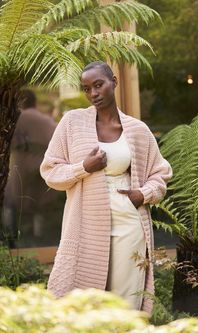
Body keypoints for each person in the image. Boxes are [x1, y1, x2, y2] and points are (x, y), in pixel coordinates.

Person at [40, 61, 172, 314]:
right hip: (86, 226)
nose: (93, 94)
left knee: (125, 302)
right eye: (87, 89)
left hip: (129, 225)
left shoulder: (137, 130)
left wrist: (142, 195)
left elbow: (160, 174)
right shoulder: (71, 123)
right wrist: (84, 167)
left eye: (98, 85)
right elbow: (50, 172)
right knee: (84, 303)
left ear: (114, 81)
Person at [3, 89, 57, 247]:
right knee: (39, 206)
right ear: (34, 102)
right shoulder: (46, 121)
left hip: (20, 168)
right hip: (42, 169)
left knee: (11, 203)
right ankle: (39, 237)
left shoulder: (15, 120)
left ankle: (10, 239)